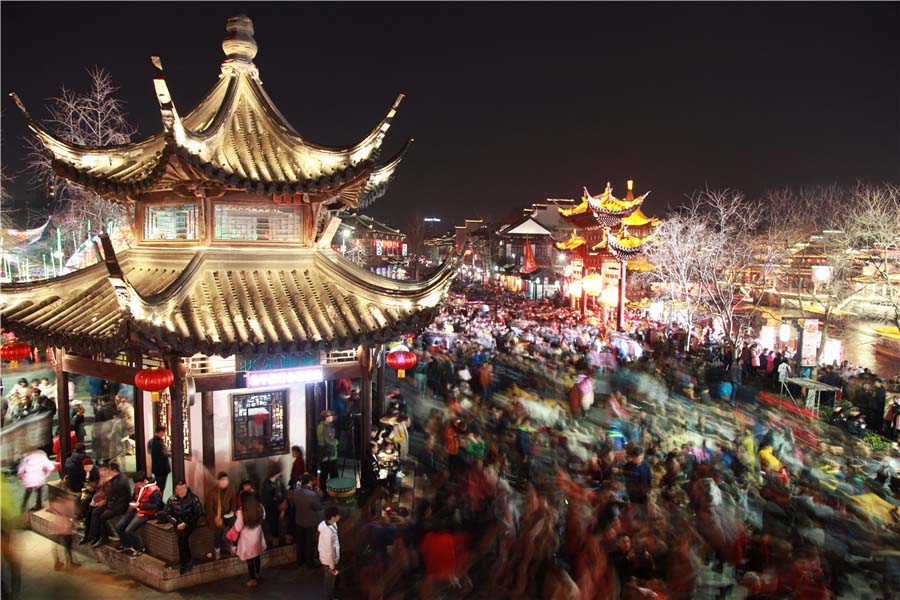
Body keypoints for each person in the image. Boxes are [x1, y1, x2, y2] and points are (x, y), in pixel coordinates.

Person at [115, 471, 162, 557]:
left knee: (129, 530)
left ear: (144, 481)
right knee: (119, 527)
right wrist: (132, 503)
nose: (137, 485)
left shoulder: (154, 490)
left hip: (147, 513)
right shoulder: (138, 487)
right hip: (136, 509)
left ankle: (140, 548)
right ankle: (127, 544)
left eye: (139, 483)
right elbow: (134, 497)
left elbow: (156, 505)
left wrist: (141, 505)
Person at [160, 480, 203, 574]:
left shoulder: (192, 498)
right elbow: (167, 513)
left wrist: (186, 523)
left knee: (183, 537)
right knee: (182, 537)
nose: (181, 491)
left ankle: (185, 562)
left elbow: (198, 513)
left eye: (183, 488)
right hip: (178, 523)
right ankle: (186, 561)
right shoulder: (172, 500)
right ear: (176, 489)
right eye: (179, 489)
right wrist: (175, 523)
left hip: (190, 522)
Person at [87, 462, 131, 548]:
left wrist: (106, 505)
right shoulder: (116, 478)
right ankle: (96, 535)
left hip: (119, 506)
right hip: (113, 503)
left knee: (102, 516)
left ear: (114, 471)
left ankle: (102, 537)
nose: (108, 472)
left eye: (109, 470)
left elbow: (114, 497)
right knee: (95, 511)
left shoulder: (119, 481)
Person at [234, 489, 266, 587]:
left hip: (247, 538)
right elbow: (263, 516)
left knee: (249, 558)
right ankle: (257, 573)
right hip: (257, 533)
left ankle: (253, 579)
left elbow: (238, 527)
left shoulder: (241, 511)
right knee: (256, 554)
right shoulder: (259, 506)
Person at [292, 475, 322, 568]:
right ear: (310, 482)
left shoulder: (296, 491)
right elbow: (318, 507)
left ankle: (300, 560)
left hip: (299, 519)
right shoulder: (311, 494)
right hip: (309, 521)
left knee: (300, 541)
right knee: (309, 543)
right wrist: (318, 494)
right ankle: (309, 562)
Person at [205, 472, 237, 560]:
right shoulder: (212, 492)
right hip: (216, 514)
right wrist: (215, 517)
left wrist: (232, 510)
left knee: (235, 525)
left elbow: (233, 501)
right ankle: (217, 550)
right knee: (218, 530)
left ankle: (234, 547)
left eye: (226, 480)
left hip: (228, 513)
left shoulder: (231, 488)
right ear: (218, 481)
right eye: (222, 480)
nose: (224, 482)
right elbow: (209, 508)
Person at [260, 462, 288, 546]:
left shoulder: (278, 481)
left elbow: (284, 493)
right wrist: (279, 508)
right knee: (273, 522)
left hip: (281, 507)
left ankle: (284, 536)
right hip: (272, 509)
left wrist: (283, 507)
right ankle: (275, 538)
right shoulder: (266, 485)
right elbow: (267, 501)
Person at [318, 506, 341, 600]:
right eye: (337, 515)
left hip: (329, 558)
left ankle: (330, 596)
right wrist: (332, 566)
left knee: (330, 580)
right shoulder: (328, 532)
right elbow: (328, 551)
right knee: (329, 581)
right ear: (332, 518)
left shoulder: (328, 524)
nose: (339, 516)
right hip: (328, 560)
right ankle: (328, 598)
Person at [316, 410, 339, 494]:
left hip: (324, 453)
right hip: (329, 453)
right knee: (332, 474)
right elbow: (328, 440)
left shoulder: (321, 426)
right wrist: (336, 442)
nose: (331, 417)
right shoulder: (325, 426)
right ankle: (333, 492)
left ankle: (324, 491)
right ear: (326, 418)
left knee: (324, 473)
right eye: (330, 416)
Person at [148, 426, 171, 495]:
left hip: (156, 467)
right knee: (161, 486)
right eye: (164, 432)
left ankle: (158, 501)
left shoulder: (151, 441)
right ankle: (159, 502)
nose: (164, 434)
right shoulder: (158, 442)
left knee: (158, 485)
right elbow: (163, 454)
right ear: (161, 432)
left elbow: (149, 451)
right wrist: (167, 450)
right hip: (161, 468)